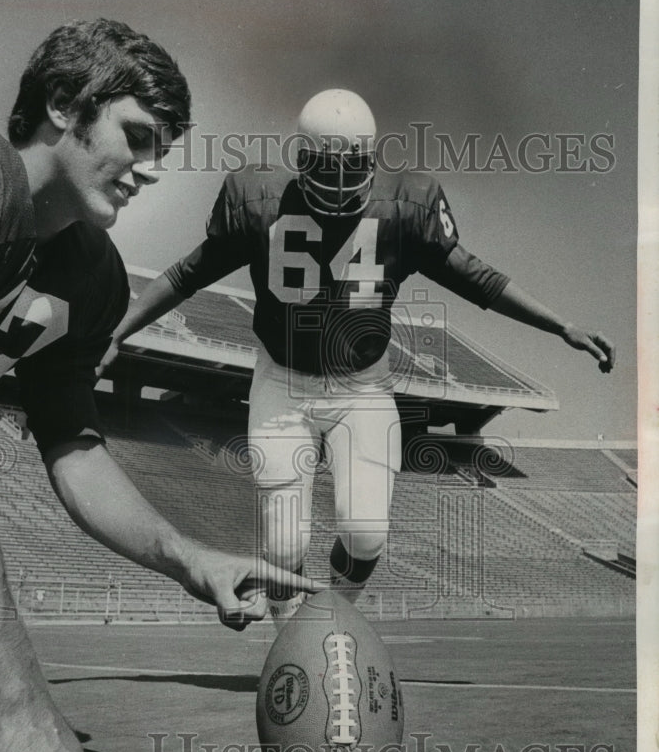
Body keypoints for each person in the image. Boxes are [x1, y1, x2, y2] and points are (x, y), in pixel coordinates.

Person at [0, 19, 318, 752]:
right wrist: (25, 706)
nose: (152, 166)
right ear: (62, 104)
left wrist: (187, 557)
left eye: (165, 148)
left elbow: (74, 447)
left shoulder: (90, 277)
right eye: (138, 135)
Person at [99, 88, 616, 631]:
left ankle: (333, 623)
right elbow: (188, 274)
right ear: (302, 161)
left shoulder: (406, 206)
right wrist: (120, 331)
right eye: (328, 169)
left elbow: (478, 279)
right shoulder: (257, 199)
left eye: (353, 169)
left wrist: (562, 326)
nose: (341, 184)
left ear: (371, 160)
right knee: (283, 540)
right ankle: (292, 638)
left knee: (366, 532)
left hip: (362, 386)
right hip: (283, 381)